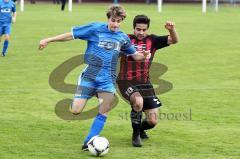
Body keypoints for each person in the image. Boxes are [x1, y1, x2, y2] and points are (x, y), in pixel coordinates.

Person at [39, 5, 150, 151]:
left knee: (105, 108)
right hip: (90, 77)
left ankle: (88, 141)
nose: (115, 24)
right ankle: (81, 100)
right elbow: (71, 35)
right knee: (76, 111)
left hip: (107, 81)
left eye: (119, 21)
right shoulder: (94, 29)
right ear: (108, 18)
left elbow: (135, 55)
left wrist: (144, 56)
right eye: (113, 20)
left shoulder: (122, 38)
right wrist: (48, 40)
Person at [117, 15, 179, 147]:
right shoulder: (124, 39)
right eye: (138, 29)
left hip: (145, 82)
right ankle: (135, 136)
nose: (141, 33)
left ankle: (140, 129)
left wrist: (171, 30)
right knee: (138, 102)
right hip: (125, 80)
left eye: (143, 30)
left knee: (153, 121)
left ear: (147, 29)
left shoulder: (153, 40)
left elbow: (174, 40)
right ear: (133, 28)